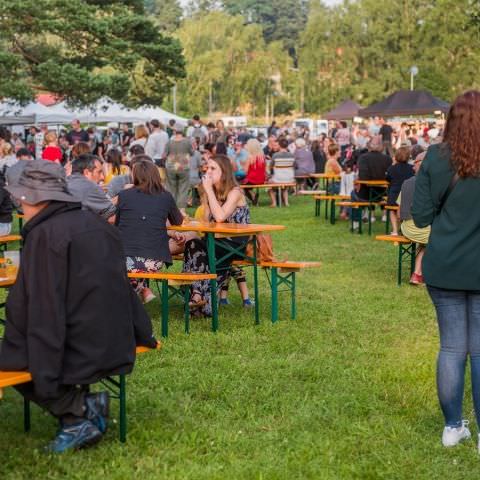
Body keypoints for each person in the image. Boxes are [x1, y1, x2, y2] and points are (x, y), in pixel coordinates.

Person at [0, 160, 157, 452]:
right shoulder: (96, 223)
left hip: (85, 344)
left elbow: (44, 310)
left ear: (27, 197)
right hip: (118, 335)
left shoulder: (46, 235)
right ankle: (83, 405)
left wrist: (42, 372)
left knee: (13, 356)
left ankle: (75, 413)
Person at [412, 90, 480, 451]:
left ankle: (453, 427)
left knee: (453, 348)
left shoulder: (435, 158)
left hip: (444, 264)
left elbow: (420, 216)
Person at [183, 155, 252, 315]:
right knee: (192, 244)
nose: (209, 172)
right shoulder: (211, 192)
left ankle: (200, 296)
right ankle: (197, 294)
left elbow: (220, 216)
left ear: (224, 172)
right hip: (215, 240)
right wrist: (207, 196)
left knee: (202, 248)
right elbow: (206, 222)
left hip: (234, 243)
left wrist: (208, 191)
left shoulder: (235, 192)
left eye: (213, 169)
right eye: (207, 168)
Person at [116, 158, 184, 303]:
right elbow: (178, 221)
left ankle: (138, 292)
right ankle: (141, 290)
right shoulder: (165, 196)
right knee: (138, 261)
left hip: (125, 258)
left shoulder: (124, 195)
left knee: (128, 264)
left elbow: (118, 224)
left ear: (135, 176)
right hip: (155, 259)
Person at [397, 151, 430, 284]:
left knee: (427, 243)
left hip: (407, 228)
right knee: (440, 239)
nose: (411, 167)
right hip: (424, 229)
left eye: (414, 164)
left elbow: (399, 213)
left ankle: (417, 274)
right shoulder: (433, 184)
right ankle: (418, 273)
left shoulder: (406, 183)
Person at [67, 154, 116, 223]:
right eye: (99, 172)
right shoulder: (89, 186)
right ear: (86, 172)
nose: (102, 177)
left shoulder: (67, 181)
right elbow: (111, 217)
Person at [164, 123, 194, 214]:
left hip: (171, 167)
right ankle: (181, 210)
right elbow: (192, 153)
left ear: (174, 131)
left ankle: (170, 209)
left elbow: (165, 154)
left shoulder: (169, 142)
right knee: (183, 188)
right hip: (183, 167)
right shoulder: (187, 141)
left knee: (171, 188)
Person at [385, 146, 414, 235]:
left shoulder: (392, 168)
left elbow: (387, 179)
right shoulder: (412, 168)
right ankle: (404, 229)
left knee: (392, 210)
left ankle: (394, 230)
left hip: (394, 195)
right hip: (408, 196)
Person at [268, 137, 295, 207]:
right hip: (289, 179)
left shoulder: (275, 155)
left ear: (279, 145)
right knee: (284, 187)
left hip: (277, 179)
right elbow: (295, 166)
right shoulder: (292, 155)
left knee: (269, 186)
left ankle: (274, 202)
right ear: (287, 145)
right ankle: (286, 203)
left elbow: (270, 166)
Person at [242, 138, 267, 205]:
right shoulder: (262, 157)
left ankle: (253, 197)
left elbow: (245, 171)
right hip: (262, 179)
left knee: (242, 187)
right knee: (246, 186)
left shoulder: (250, 157)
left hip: (252, 179)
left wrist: (243, 166)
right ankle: (254, 199)